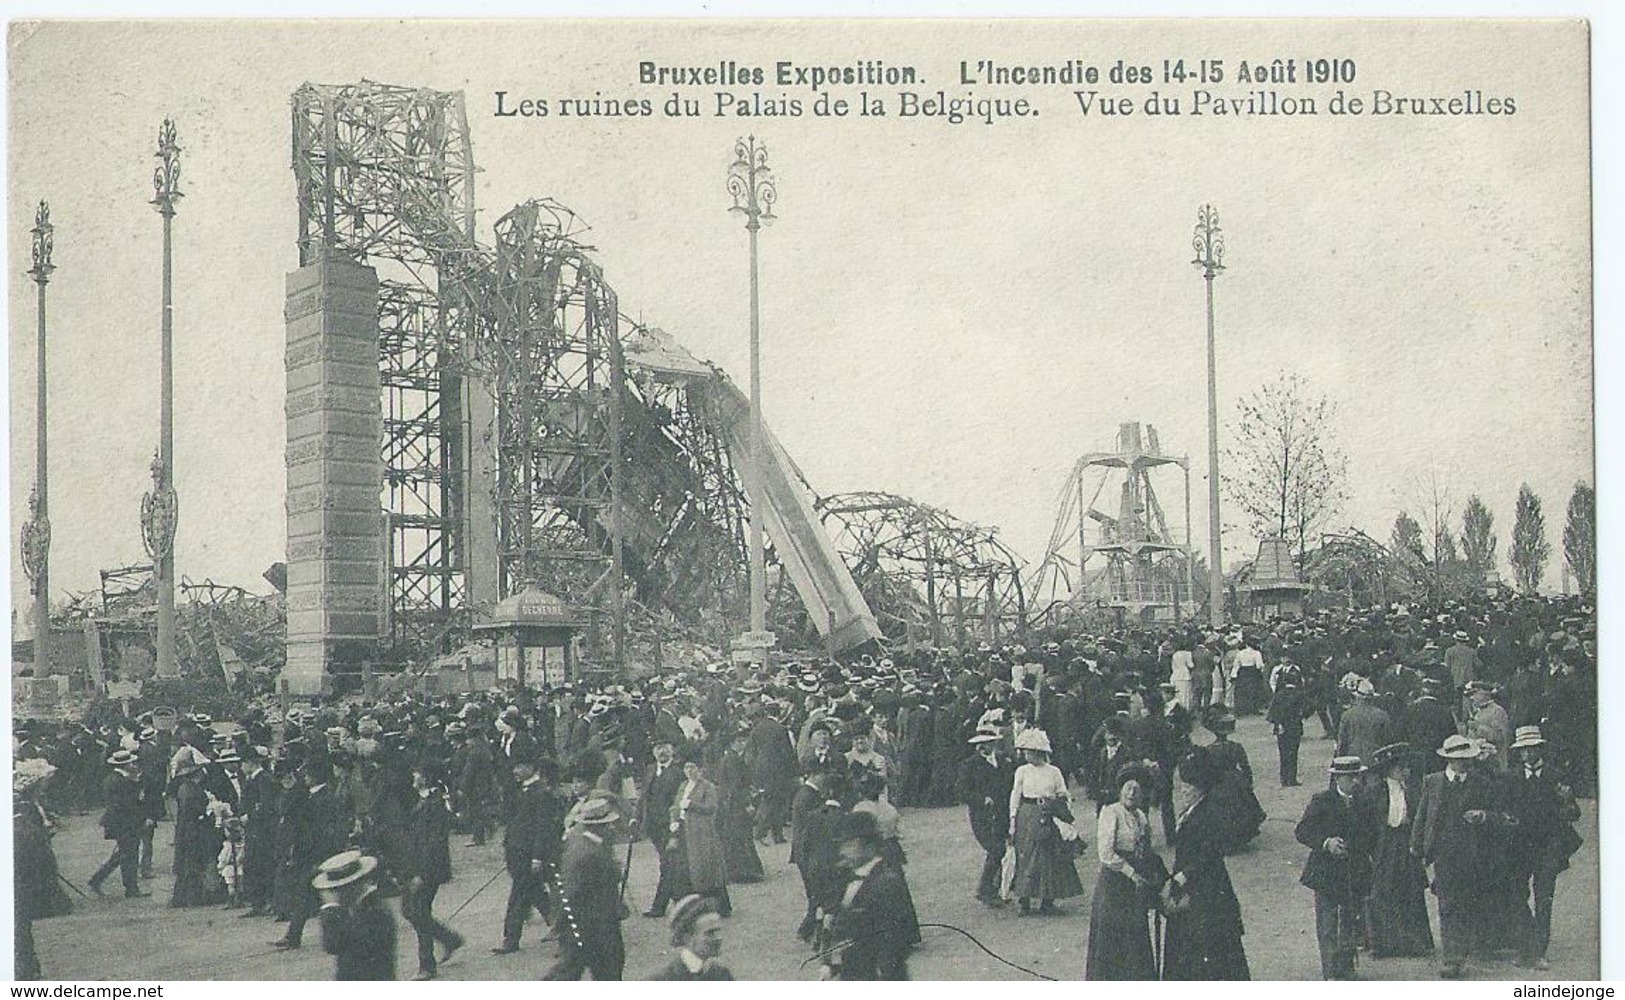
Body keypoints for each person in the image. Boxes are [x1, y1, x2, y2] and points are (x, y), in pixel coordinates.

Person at [1410, 733, 1512, 979]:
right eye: (1457, 759)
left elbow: (1500, 816)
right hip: (1444, 853)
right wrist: (1416, 845)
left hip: (1474, 852)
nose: (1462, 763)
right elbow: (1422, 816)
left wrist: (1483, 815)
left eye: (1466, 759)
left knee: (1470, 901)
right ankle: (1451, 958)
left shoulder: (1481, 783)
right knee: (1447, 903)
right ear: (1448, 759)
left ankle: (1468, 948)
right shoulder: (1433, 782)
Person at [1162, 749, 1251, 980]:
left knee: (1208, 941)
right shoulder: (1192, 810)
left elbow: (1210, 852)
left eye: (1189, 787)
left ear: (1200, 788)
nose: (1184, 791)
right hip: (1191, 880)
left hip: (1207, 885)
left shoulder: (1210, 812)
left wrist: (1182, 876)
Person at [1502, 726, 1582, 970]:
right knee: (1516, 896)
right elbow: (1504, 809)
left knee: (1544, 898)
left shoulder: (1556, 777)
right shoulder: (1512, 777)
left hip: (1548, 847)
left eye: (1531, 749)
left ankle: (1538, 951)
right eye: (1522, 750)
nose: (1527, 754)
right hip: (1519, 847)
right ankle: (1525, 944)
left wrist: (1567, 800)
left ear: (1539, 749)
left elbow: (1574, 813)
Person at [1295, 756, 1377, 980]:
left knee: (1350, 919)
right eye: (1350, 777)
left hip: (1355, 870)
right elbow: (1302, 831)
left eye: (1357, 776)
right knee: (1328, 921)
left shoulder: (1365, 801)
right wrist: (1326, 843)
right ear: (1338, 778)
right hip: (1326, 871)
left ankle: (1347, 966)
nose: (1355, 782)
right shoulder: (1322, 800)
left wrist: (1356, 847)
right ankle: (1331, 970)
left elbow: (1373, 834)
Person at [1086, 765, 1162, 980]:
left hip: (1135, 886)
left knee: (1135, 935)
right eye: (1128, 788)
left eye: (1137, 790)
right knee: (1114, 936)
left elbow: (1147, 849)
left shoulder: (1141, 816)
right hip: (1114, 883)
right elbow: (1106, 853)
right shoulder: (1111, 812)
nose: (1132, 793)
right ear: (1120, 790)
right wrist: (1131, 873)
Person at [1361, 742, 1434, 958]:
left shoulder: (1412, 790)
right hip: (1384, 845)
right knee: (1382, 892)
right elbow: (1369, 823)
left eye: (1408, 768)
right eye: (1402, 768)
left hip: (1406, 843)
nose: (1407, 771)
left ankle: (1413, 941)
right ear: (1391, 769)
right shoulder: (1375, 792)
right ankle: (1381, 943)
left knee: (1410, 890)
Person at [821, 811, 913, 980]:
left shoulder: (886, 882)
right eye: (841, 844)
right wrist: (830, 964)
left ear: (869, 845)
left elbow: (894, 940)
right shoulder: (845, 878)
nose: (842, 851)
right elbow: (836, 926)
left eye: (850, 844)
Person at [544, 794, 627, 980]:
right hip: (593, 926)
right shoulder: (588, 854)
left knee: (572, 971)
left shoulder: (584, 843)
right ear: (598, 827)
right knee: (602, 971)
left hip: (592, 924)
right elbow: (571, 891)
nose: (613, 828)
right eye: (609, 824)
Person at [1007, 728, 1083, 916]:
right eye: (1025, 751)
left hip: (1048, 815)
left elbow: (1064, 793)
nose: (1027, 755)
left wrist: (1061, 807)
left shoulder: (1054, 771)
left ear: (1039, 752)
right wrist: (1013, 820)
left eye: (1030, 751)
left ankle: (1047, 900)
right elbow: (1015, 795)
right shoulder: (1022, 771)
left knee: (1048, 858)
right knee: (1026, 856)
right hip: (1027, 815)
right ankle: (1024, 900)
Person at [400, 761, 465, 979]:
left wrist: (422, 874)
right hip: (418, 866)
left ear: (426, 777)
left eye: (416, 773)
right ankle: (449, 939)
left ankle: (427, 965)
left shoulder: (436, 803)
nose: (413, 776)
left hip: (429, 869)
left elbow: (434, 844)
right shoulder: (424, 799)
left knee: (417, 910)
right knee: (411, 910)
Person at [494, 757, 565, 954]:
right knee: (536, 895)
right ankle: (564, 931)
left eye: (520, 765)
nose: (515, 770)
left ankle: (511, 940)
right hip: (516, 853)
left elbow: (543, 828)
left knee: (517, 898)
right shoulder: (519, 791)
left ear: (531, 767)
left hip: (529, 855)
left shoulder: (542, 793)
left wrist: (537, 856)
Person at [313, 850, 397, 981]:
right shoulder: (358, 908)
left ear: (352, 886)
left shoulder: (375, 911)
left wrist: (331, 908)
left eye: (337, 889)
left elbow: (334, 944)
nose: (335, 894)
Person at [667, 752, 731, 917]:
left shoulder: (707, 786)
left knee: (707, 868)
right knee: (688, 868)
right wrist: (674, 819)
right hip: (684, 830)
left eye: (693, 767)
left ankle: (720, 906)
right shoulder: (683, 786)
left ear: (700, 769)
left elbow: (711, 808)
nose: (689, 771)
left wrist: (692, 805)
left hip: (701, 831)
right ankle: (694, 904)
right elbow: (675, 805)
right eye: (686, 767)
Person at [956, 723, 1014, 906]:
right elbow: (961, 791)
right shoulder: (969, 765)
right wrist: (981, 800)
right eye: (981, 743)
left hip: (1002, 813)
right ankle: (985, 889)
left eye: (988, 742)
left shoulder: (1004, 760)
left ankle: (995, 888)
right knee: (996, 849)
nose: (984, 746)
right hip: (983, 817)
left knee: (1002, 850)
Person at [89, 750, 150, 899]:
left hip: (121, 822)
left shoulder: (114, 779)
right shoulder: (120, 781)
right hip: (123, 823)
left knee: (123, 854)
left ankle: (98, 880)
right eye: (131, 763)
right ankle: (130, 889)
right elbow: (125, 805)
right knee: (129, 855)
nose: (134, 765)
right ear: (125, 765)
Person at [639, 738, 686, 918]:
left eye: (665, 748)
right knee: (670, 865)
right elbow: (644, 797)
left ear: (672, 750)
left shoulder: (678, 772)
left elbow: (680, 800)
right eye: (658, 748)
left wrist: (676, 825)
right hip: (654, 827)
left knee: (668, 864)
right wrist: (636, 819)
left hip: (671, 826)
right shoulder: (650, 771)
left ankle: (661, 906)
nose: (662, 752)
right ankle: (679, 901)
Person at [649, 893, 735, 980]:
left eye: (718, 930)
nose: (718, 938)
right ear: (687, 938)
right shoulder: (666, 978)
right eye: (710, 933)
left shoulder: (722, 974)